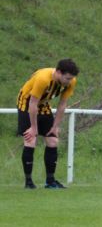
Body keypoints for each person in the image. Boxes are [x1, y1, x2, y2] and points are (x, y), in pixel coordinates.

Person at [17, 59, 79, 189]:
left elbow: (62, 104)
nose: (69, 81)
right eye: (67, 78)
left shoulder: (71, 81)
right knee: (30, 140)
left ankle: (50, 181)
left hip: (44, 104)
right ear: (58, 72)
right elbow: (32, 104)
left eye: (71, 79)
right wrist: (34, 128)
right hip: (27, 103)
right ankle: (28, 182)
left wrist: (55, 126)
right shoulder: (43, 79)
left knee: (53, 141)